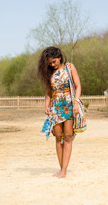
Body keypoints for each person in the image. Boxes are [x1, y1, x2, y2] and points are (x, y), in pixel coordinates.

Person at [37, 46, 81, 178]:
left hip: (68, 105)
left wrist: (76, 102)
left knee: (68, 137)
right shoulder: (49, 73)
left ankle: (64, 170)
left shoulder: (70, 67)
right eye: (50, 63)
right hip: (55, 108)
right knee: (58, 137)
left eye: (54, 61)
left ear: (59, 57)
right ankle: (61, 168)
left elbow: (78, 86)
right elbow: (48, 93)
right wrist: (47, 106)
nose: (52, 64)